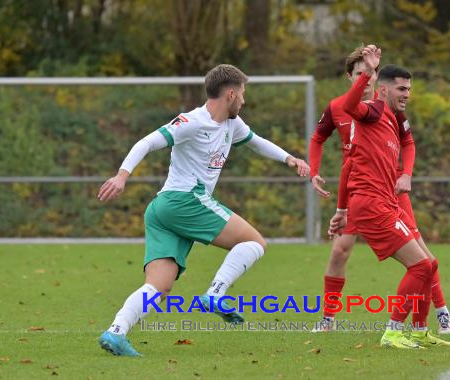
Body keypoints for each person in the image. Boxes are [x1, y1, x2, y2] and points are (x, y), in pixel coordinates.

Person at [96, 64, 310, 356]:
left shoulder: (232, 124)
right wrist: (122, 175)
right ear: (231, 94)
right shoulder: (192, 122)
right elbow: (147, 142)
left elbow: (256, 142)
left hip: (163, 210)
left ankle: (116, 331)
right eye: (243, 94)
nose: (244, 101)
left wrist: (289, 159)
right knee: (255, 242)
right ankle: (215, 294)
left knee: (159, 286)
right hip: (184, 200)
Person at [309, 46, 450, 334]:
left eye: (371, 73)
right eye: (361, 74)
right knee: (340, 251)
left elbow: (409, 143)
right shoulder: (347, 107)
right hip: (364, 192)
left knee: (425, 260)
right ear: (351, 77)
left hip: (388, 193)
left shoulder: (388, 110)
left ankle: (439, 314)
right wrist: (333, 197)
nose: (367, 78)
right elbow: (327, 147)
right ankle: (329, 320)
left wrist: (407, 174)